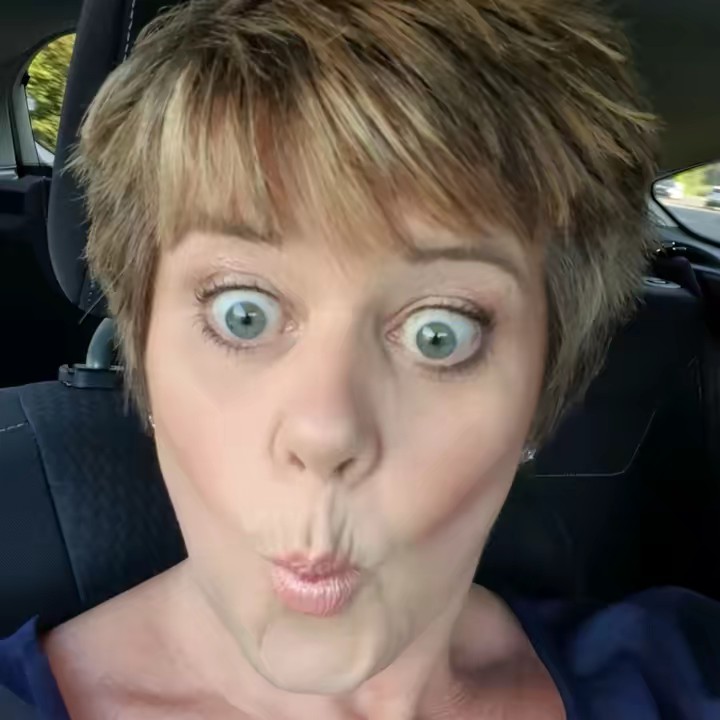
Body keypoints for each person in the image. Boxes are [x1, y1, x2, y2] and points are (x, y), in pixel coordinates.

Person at [1, 0, 719, 718]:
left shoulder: (680, 674)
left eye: (441, 333)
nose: (326, 432)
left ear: (543, 389)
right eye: (242, 314)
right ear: (147, 360)